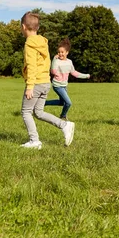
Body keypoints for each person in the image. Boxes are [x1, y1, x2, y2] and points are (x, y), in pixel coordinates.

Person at [19, 12, 75, 149]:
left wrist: (30, 86)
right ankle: (64, 125)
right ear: (37, 28)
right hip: (45, 82)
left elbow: (32, 66)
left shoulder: (30, 44)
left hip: (36, 83)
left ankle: (34, 141)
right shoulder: (42, 42)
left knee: (26, 112)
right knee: (38, 112)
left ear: (23, 27)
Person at [45, 38, 90, 120]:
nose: (60, 54)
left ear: (67, 53)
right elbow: (53, 72)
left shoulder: (69, 62)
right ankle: (63, 116)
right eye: (59, 52)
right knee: (68, 103)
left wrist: (86, 76)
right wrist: (54, 60)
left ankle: (43, 103)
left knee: (61, 103)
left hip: (64, 86)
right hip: (57, 85)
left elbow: (74, 73)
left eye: (62, 52)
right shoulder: (57, 61)